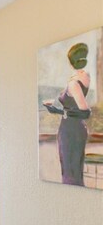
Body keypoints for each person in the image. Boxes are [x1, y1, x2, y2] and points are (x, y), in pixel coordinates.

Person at [43, 42, 91, 186]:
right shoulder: (86, 76)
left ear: (71, 63)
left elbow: (85, 112)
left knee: (70, 174)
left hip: (70, 131)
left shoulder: (73, 84)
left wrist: (57, 110)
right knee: (75, 172)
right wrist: (58, 110)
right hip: (77, 129)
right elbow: (75, 109)